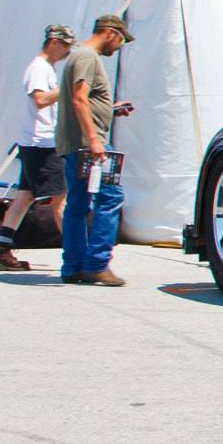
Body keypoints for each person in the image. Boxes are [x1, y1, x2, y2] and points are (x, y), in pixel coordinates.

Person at [0, 24, 74, 270]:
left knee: (24, 197)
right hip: (42, 142)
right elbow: (40, 100)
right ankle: (77, 255)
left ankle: (1, 249)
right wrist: (67, 89)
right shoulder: (39, 69)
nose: (67, 53)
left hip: (36, 141)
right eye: (66, 47)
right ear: (54, 42)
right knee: (60, 200)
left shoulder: (46, 69)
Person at [56, 15, 135, 287]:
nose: (120, 46)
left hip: (76, 143)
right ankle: (97, 264)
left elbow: (84, 100)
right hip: (90, 145)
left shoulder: (78, 56)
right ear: (111, 33)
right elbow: (79, 98)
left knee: (77, 205)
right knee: (111, 197)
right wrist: (94, 139)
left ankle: (73, 266)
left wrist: (110, 110)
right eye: (122, 39)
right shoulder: (88, 57)